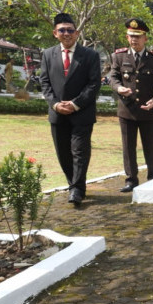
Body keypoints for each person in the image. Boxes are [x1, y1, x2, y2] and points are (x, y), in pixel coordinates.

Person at [40, 13, 101, 206]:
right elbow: (44, 82)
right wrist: (55, 104)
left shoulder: (91, 55)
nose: (66, 34)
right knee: (63, 153)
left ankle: (76, 189)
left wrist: (75, 104)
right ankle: (72, 184)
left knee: (80, 151)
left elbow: (93, 85)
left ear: (77, 32)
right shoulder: (48, 54)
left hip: (82, 113)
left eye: (70, 30)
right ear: (55, 33)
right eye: (62, 30)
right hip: (57, 114)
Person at [110, 18, 153, 192]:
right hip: (127, 111)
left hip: (148, 111)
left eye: (138, 36)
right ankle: (131, 180)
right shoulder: (118, 56)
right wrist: (119, 88)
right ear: (127, 38)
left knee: (151, 147)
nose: (134, 39)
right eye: (131, 36)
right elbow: (113, 77)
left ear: (145, 38)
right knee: (128, 147)